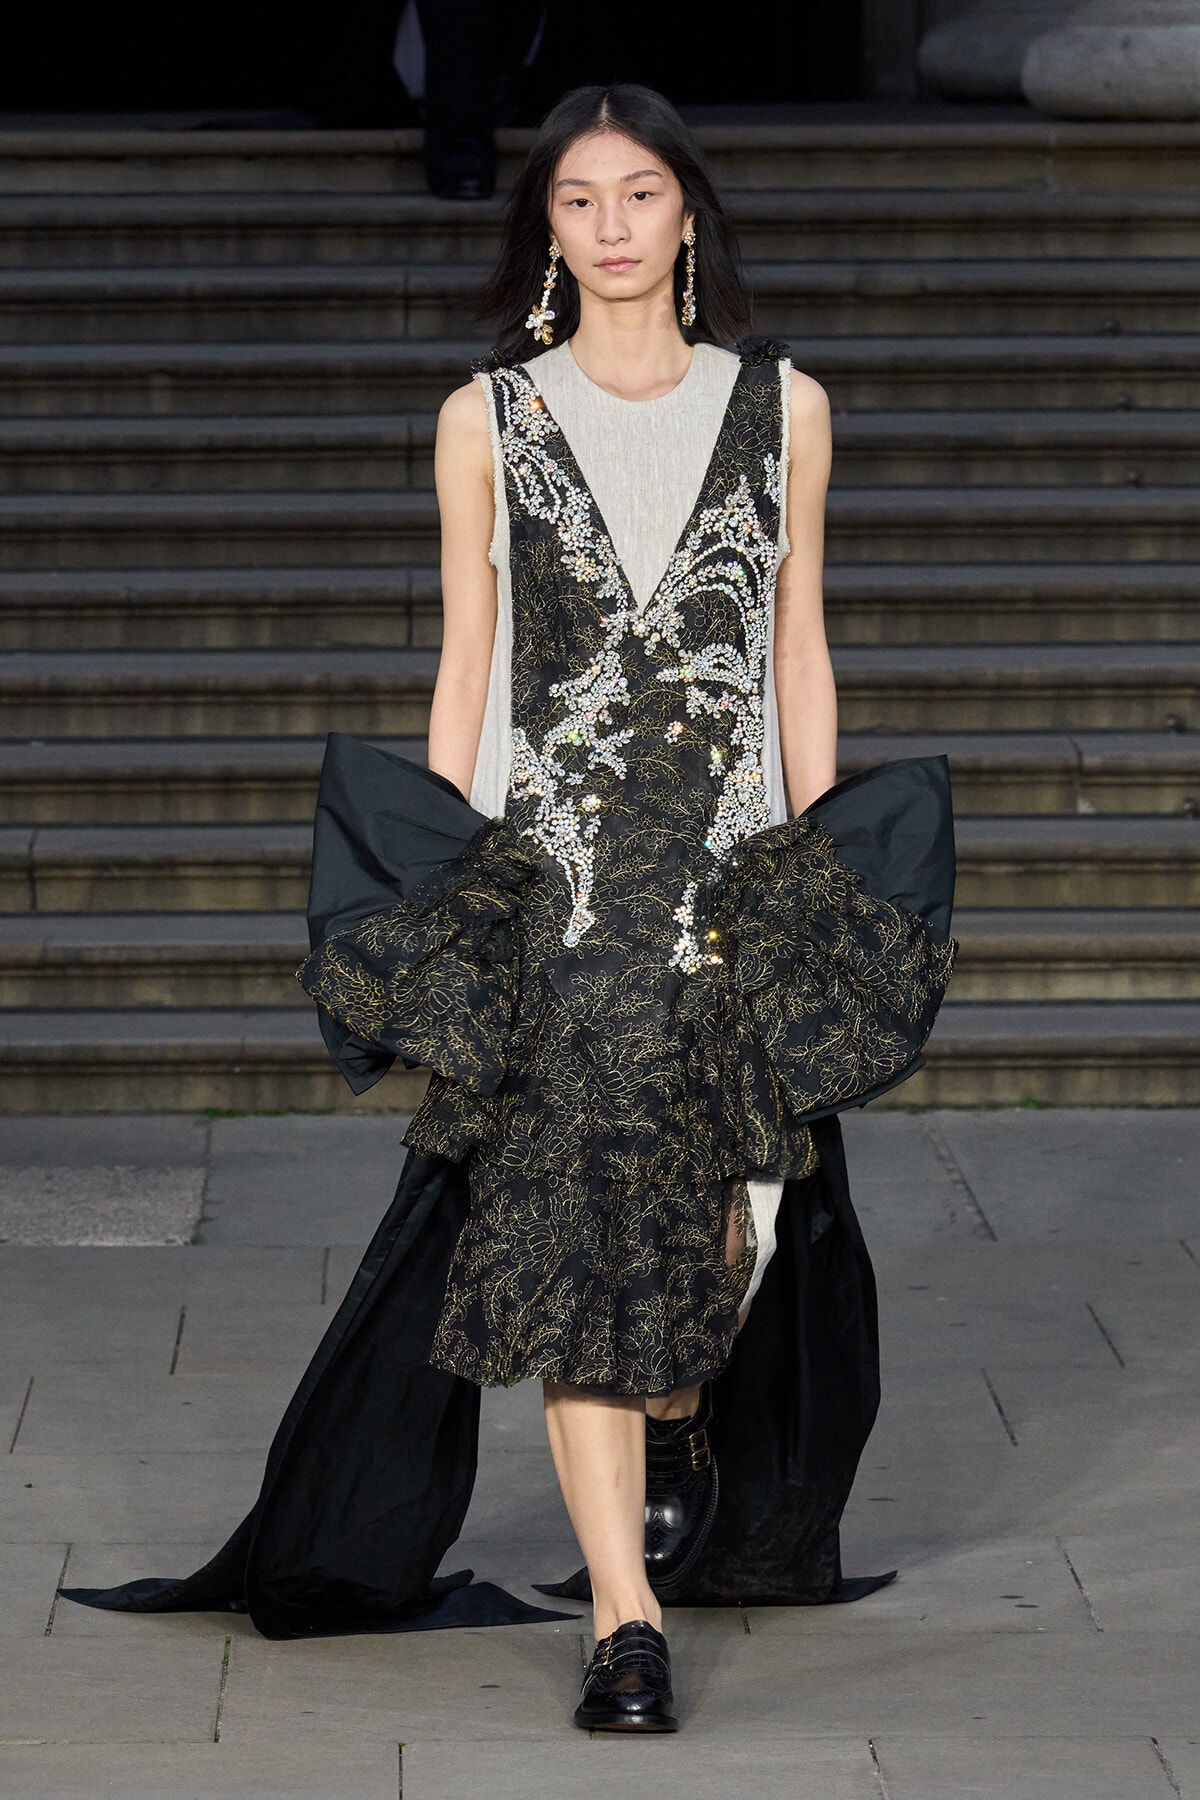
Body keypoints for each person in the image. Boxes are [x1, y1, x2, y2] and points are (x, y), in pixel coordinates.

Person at [62, 83, 956, 1735]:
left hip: (725, 878)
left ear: (691, 216)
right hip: (557, 878)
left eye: (639, 195)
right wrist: (462, 884)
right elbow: (469, 664)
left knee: (734, 1228)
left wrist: (814, 861)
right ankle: (628, 1622)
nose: (611, 227)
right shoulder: (487, 417)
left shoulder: (787, 407)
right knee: (568, 1228)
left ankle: (681, 1414)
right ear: (544, 231)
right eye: (577, 202)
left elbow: (794, 647)